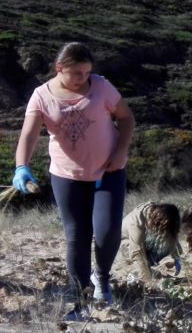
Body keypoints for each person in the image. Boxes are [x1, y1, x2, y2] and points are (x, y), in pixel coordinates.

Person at [11, 42, 135, 316]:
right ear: (60, 69)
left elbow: (126, 119)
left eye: (87, 72)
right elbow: (29, 135)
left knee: (107, 230)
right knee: (77, 235)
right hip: (67, 175)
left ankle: (101, 276)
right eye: (77, 73)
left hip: (108, 170)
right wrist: (22, 166)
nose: (83, 79)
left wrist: (121, 150)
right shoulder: (41, 96)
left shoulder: (101, 87)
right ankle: (79, 302)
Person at [112, 201, 183, 285]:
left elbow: (171, 234)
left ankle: (145, 268)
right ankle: (137, 270)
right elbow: (136, 252)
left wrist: (177, 256)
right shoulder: (136, 222)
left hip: (142, 242)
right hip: (121, 245)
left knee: (165, 243)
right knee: (139, 259)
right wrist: (147, 280)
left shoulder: (157, 213)